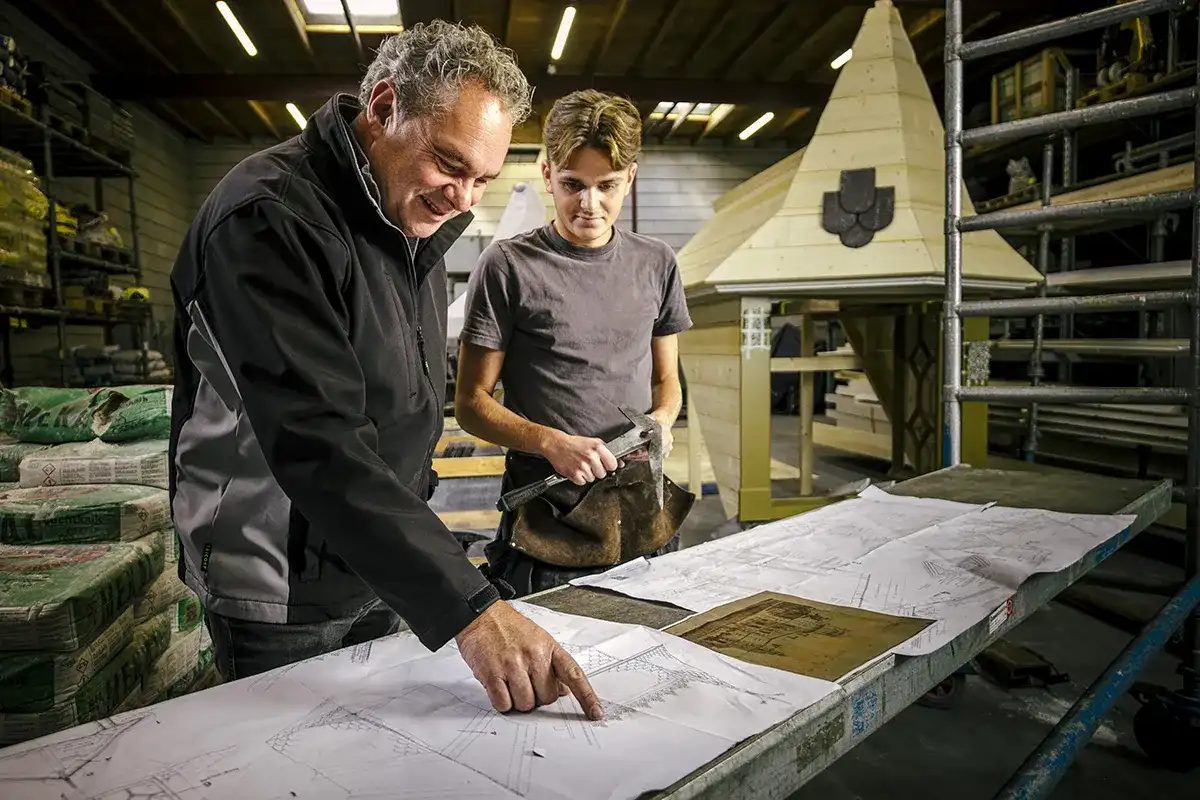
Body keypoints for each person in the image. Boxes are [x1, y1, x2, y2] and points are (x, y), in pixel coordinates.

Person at [168, 21, 602, 721]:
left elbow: (399, 403)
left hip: (379, 563)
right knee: (299, 762)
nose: (465, 198)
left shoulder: (406, 224)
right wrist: (471, 607)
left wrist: (427, 567)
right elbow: (318, 441)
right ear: (383, 107)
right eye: (450, 164)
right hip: (279, 577)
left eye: (483, 180)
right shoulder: (270, 218)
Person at [455, 89, 696, 597]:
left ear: (630, 178)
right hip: (548, 519)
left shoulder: (658, 263)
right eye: (572, 185)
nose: (589, 204)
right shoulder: (507, 266)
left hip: (641, 510)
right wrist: (550, 443)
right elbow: (472, 404)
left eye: (607, 186)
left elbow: (666, 379)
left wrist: (661, 421)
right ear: (547, 175)